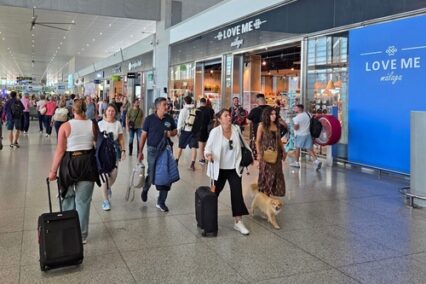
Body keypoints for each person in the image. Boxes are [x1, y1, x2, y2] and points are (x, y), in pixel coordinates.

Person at [48, 99, 100, 244]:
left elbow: (60, 150)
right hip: (88, 163)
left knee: (67, 197)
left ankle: (68, 229)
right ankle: (82, 235)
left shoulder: (65, 126)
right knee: (83, 202)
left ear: (72, 111)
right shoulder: (92, 125)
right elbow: (96, 144)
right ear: (86, 109)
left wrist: (53, 171)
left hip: (69, 164)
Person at [205, 108, 251, 235]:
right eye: (225, 115)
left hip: (234, 168)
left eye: (229, 115)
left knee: (237, 194)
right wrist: (208, 155)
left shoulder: (236, 129)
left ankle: (238, 222)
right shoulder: (215, 132)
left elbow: (243, 145)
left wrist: (250, 157)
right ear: (219, 119)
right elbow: (207, 148)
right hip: (218, 169)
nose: (229, 117)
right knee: (213, 195)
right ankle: (208, 219)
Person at [138, 97, 177, 212]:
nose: (167, 106)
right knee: (151, 173)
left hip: (166, 150)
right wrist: (140, 152)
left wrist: (171, 133)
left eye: (167, 104)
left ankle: (161, 202)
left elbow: (175, 131)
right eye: (164, 104)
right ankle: (146, 189)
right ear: (158, 106)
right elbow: (143, 136)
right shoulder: (149, 119)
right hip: (153, 150)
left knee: (166, 175)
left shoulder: (169, 118)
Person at [98, 104, 126, 211]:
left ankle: (108, 187)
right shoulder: (100, 124)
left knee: (113, 175)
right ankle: (105, 201)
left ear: (115, 113)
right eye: (109, 111)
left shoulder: (118, 124)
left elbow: (121, 139)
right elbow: (96, 139)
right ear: (105, 112)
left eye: (113, 111)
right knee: (104, 177)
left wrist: (123, 150)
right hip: (102, 153)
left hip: (114, 152)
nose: (110, 113)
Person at [256, 106, 286, 197]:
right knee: (266, 174)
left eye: (275, 114)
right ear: (267, 115)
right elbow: (257, 140)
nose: (274, 116)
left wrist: (284, 150)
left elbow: (279, 140)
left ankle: (271, 193)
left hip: (277, 154)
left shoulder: (276, 125)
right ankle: (265, 195)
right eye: (272, 114)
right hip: (266, 153)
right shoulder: (262, 125)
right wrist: (259, 154)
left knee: (277, 173)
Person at [289, 104, 322, 170]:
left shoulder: (297, 118)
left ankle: (296, 162)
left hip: (299, 135)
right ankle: (316, 161)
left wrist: (293, 127)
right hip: (307, 134)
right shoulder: (308, 114)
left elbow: (296, 127)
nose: (295, 109)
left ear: (299, 109)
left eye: (296, 108)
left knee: (297, 148)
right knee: (309, 148)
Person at [176, 96, 198, 171]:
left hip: (185, 130)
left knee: (180, 146)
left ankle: (176, 161)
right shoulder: (195, 109)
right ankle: (192, 164)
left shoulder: (183, 110)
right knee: (194, 147)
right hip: (193, 131)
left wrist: (178, 130)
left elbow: (180, 121)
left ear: (184, 102)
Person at [247, 93, 269, 158]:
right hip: (269, 132)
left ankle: (259, 156)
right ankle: (268, 156)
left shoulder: (254, 110)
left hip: (257, 132)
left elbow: (248, 121)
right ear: (264, 99)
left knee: (258, 143)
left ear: (257, 100)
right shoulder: (271, 109)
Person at [195, 98, 214, 165]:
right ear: (205, 102)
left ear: (200, 102)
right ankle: (208, 157)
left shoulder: (197, 110)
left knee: (201, 146)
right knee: (208, 145)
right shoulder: (211, 110)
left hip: (200, 129)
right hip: (209, 129)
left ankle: (202, 159)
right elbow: (212, 118)